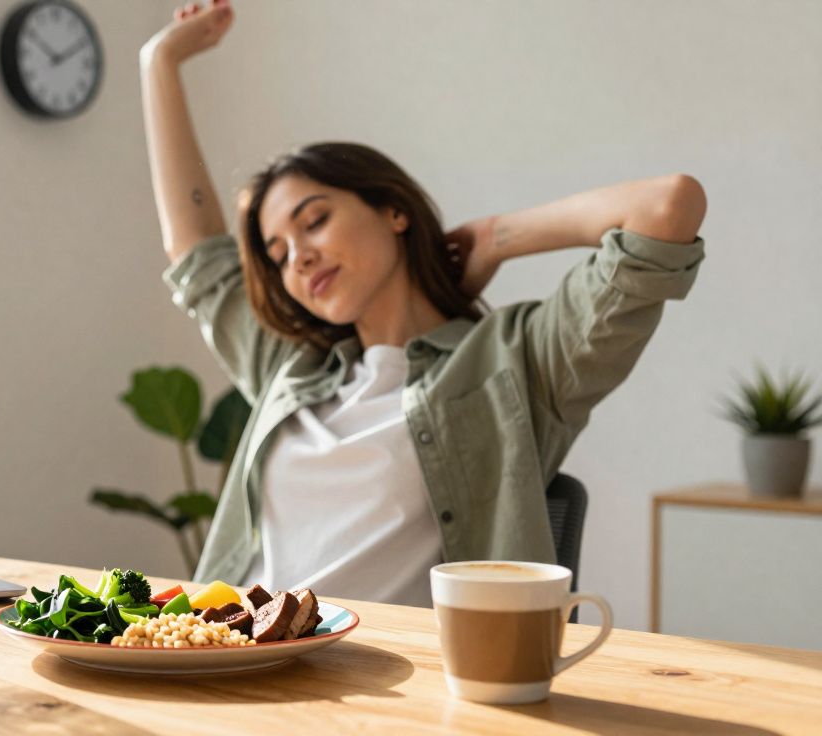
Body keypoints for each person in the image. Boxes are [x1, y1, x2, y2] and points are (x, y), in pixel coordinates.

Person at [141, 0, 707, 604]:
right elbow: (195, 248)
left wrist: (497, 236)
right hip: (235, 659)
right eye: (278, 254)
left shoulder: (520, 362)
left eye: (316, 221)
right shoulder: (289, 366)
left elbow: (667, 206)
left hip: (390, 686)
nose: (298, 258)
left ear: (394, 211)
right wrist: (159, 63)